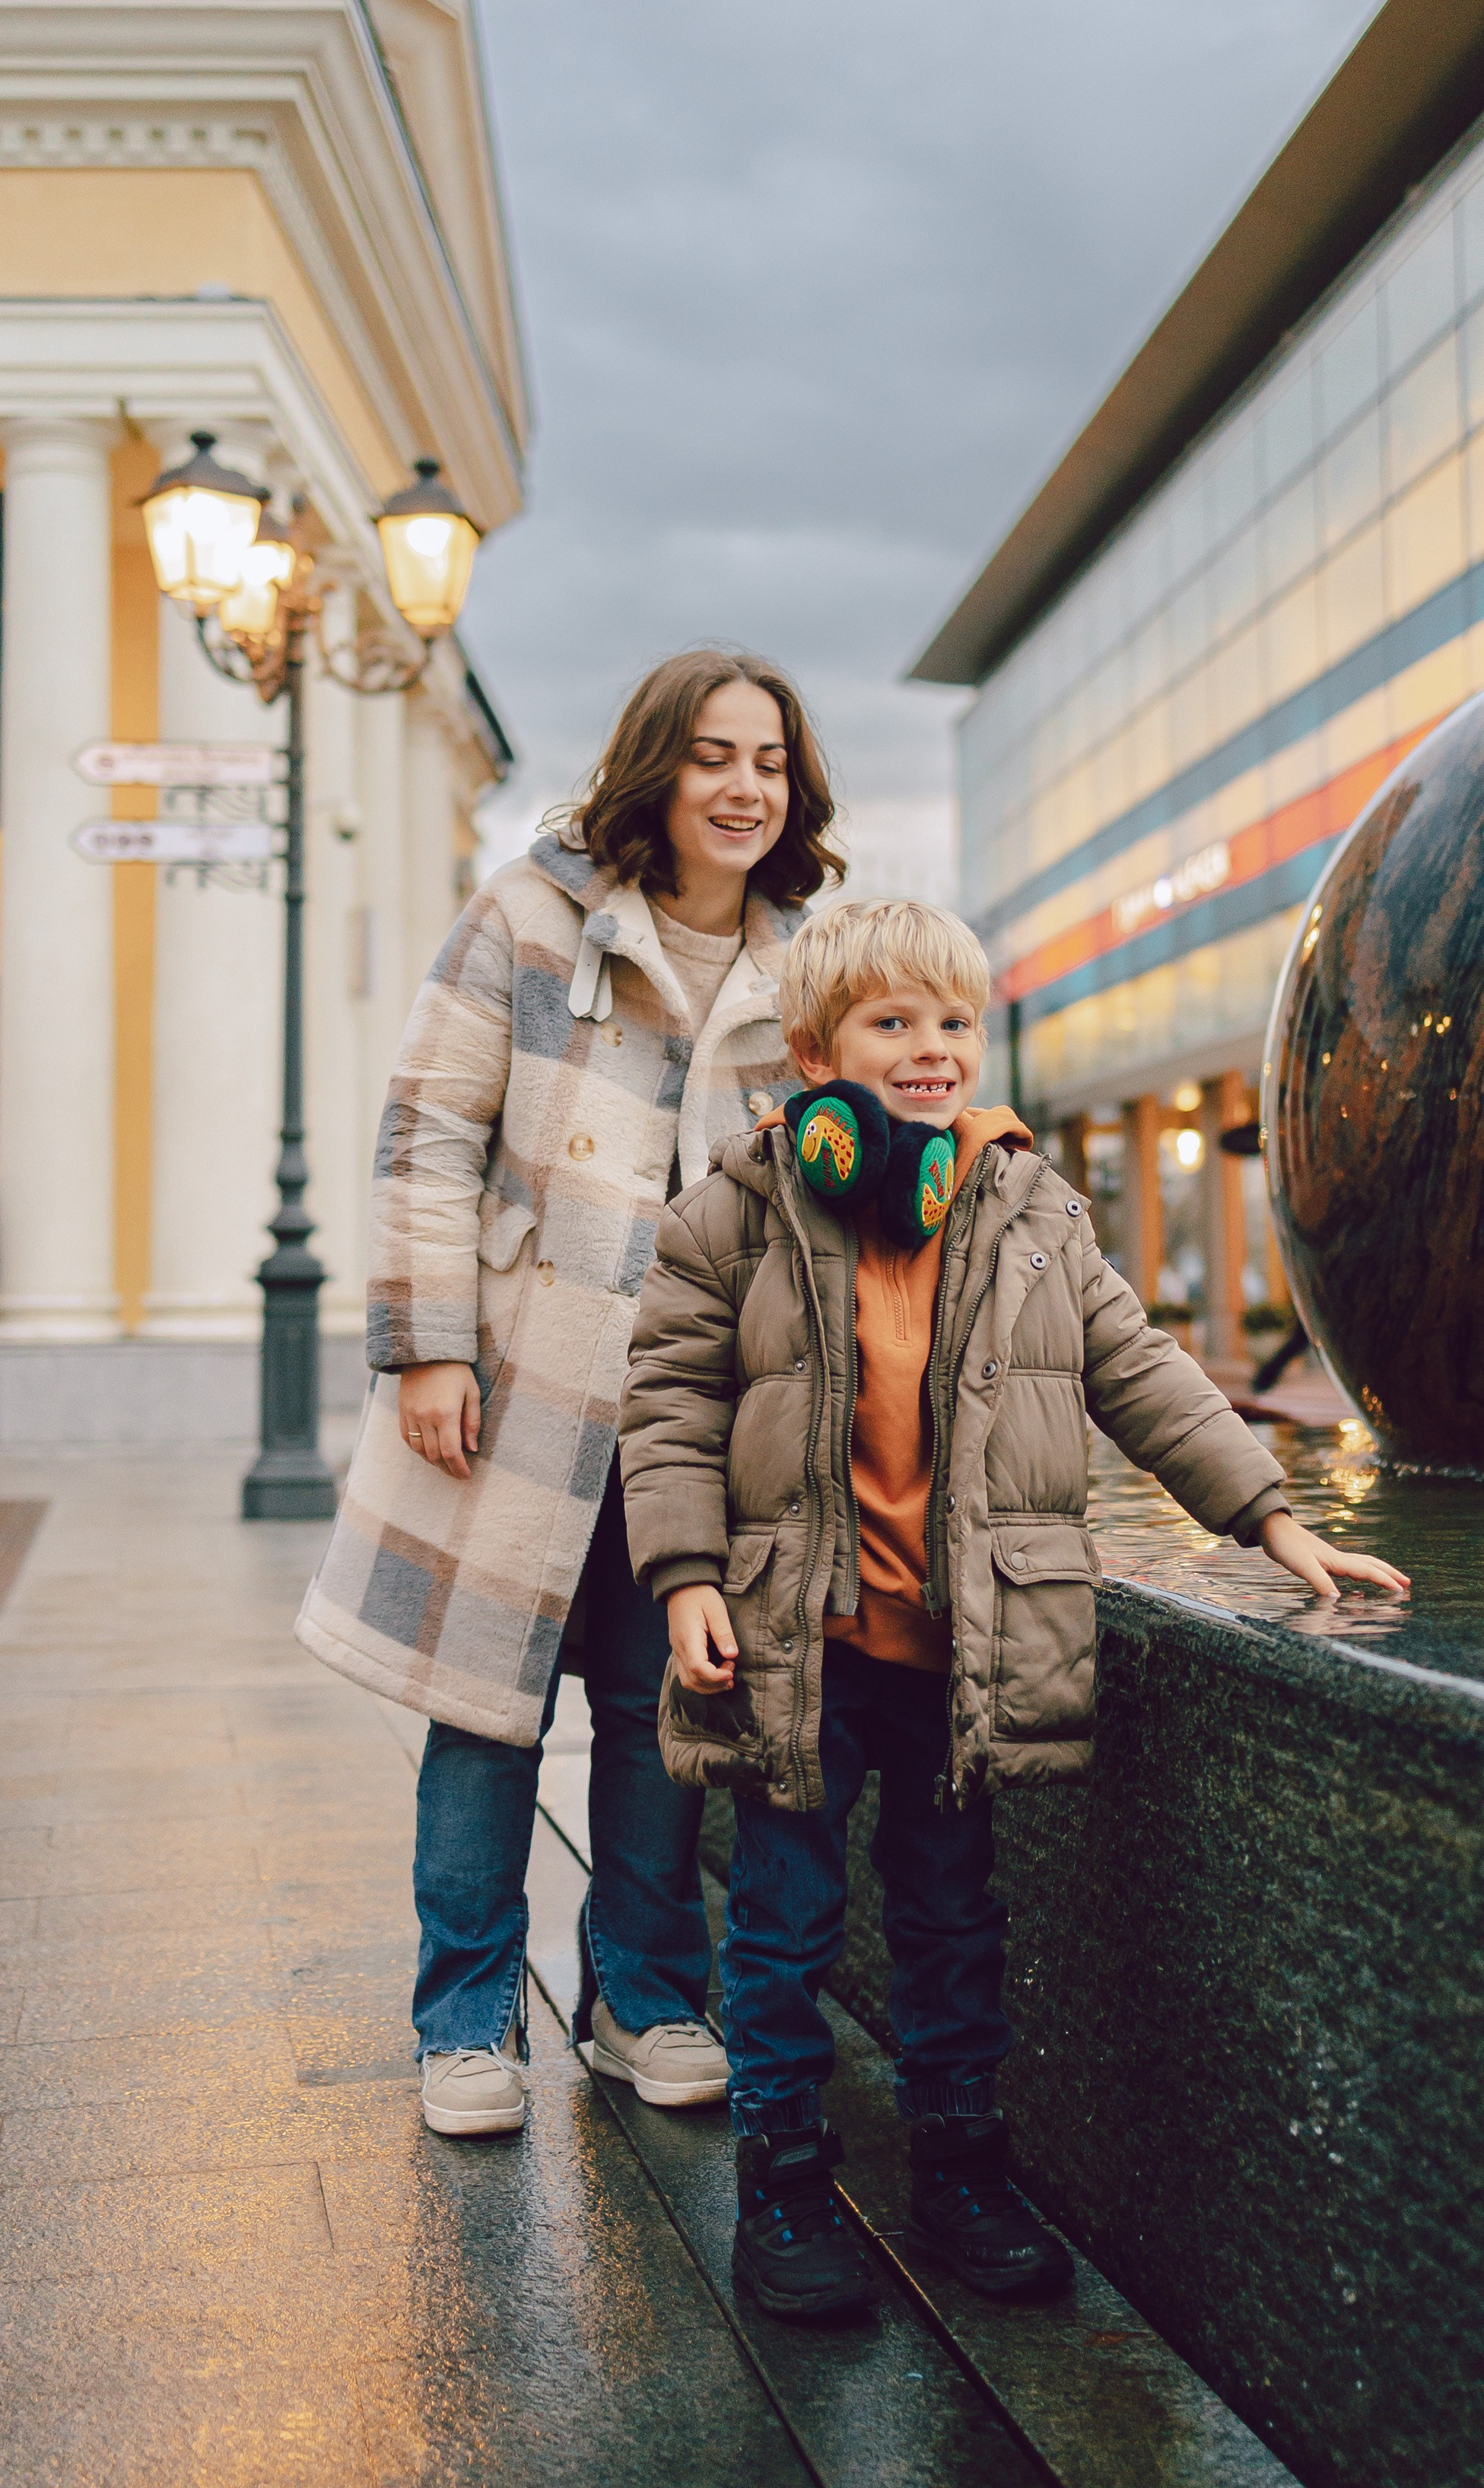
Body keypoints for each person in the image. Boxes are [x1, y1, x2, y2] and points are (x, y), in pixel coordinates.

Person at [618, 896, 1409, 2318]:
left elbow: (1144, 1373)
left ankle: (963, 2171)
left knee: (951, 1921)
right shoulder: (730, 1211)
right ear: (816, 1056)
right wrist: (682, 1576)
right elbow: (670, 1408)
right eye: (891, 1024)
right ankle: (786, 2187)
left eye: (953, 1024)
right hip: (799, 1644)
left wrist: (1276, 1518)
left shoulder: (1030, 1208)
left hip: (961, 1652)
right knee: (785, 1930)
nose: (931, 1051)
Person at [295, 648, 842, 2139]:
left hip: (698, 1418)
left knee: (669, 1707)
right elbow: (426, 1135)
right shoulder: (532, 917)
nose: (741, 788)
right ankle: (466, 2019)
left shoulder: (809, 964)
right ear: (655, 767)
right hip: (522, 1383)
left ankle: (642, 1999)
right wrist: (424, 1346)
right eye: (714, 755)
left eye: (768, 763)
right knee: (484, 1713)